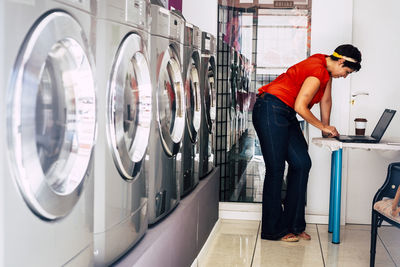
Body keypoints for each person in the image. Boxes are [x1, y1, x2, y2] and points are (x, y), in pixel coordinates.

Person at [252, 44, 362, 242]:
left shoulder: (326, 70)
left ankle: (294, 225)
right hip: (270, 108)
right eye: (346, 71)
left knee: (302, 163)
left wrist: (325, 127)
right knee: (275, 169)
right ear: (341, 61)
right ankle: (272, 230)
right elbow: (301, 106)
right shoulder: (317, 70)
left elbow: (326, 100)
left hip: (285, 112)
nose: (344, 76)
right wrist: (323, 126)